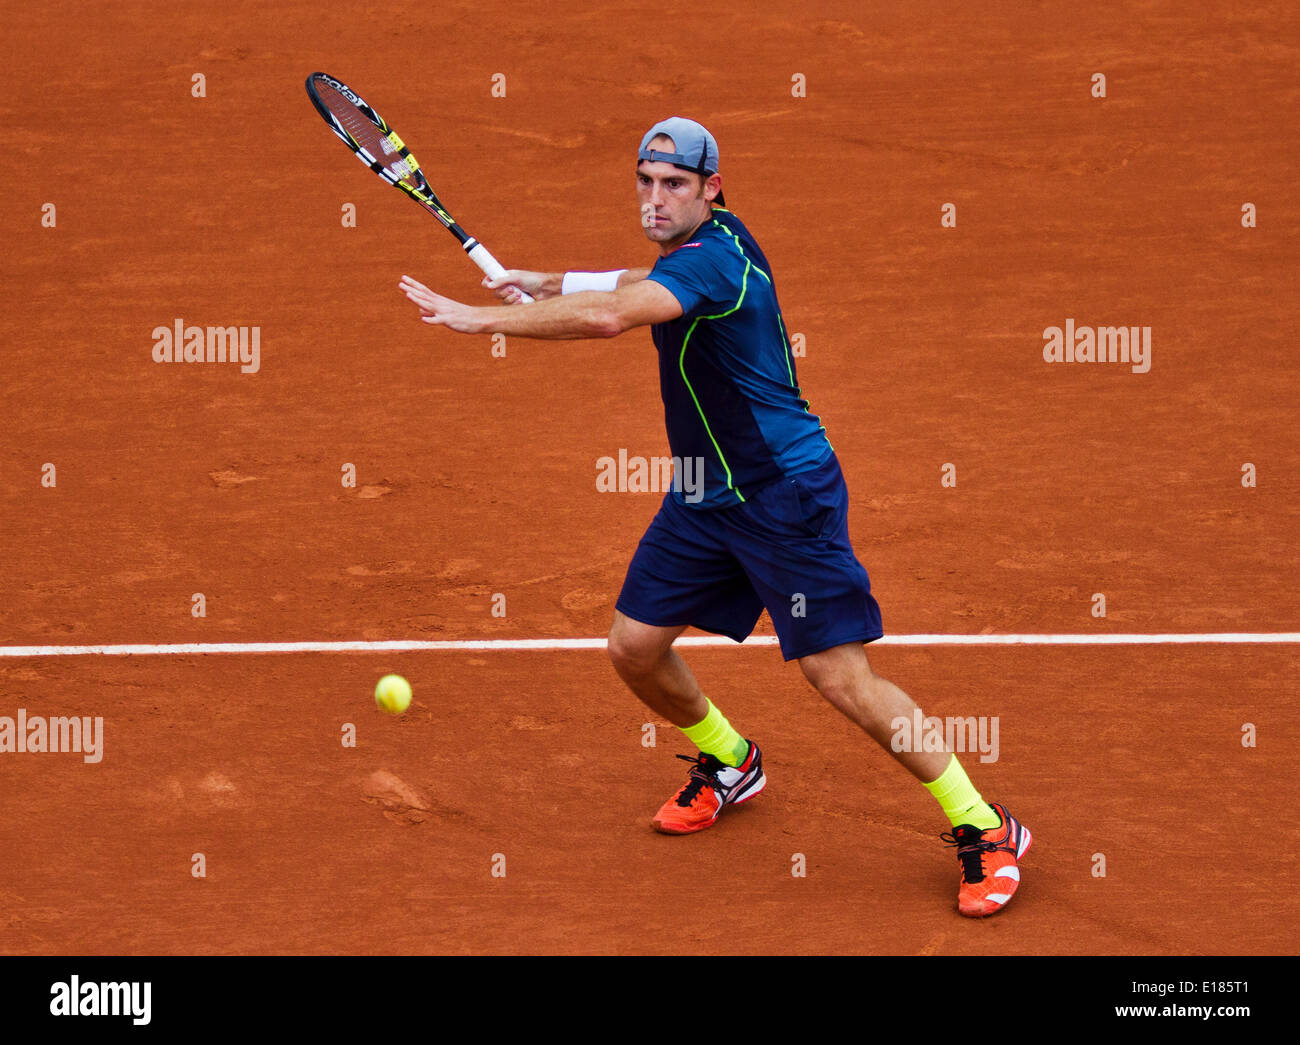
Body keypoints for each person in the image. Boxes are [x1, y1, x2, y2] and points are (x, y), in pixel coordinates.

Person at [398, 117, 1030, 917]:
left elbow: (611, 316)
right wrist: (546, 278)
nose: (655, 198)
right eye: (644, 181)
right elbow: (636, 279)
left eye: (673, 185)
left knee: (838, 675)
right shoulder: (703, 248)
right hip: (705, 491)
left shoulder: (719, 259)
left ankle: (985, 824)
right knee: (633, 647)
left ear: (710, 189)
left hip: (783, 494)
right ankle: (732, 760)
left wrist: (477, 317)